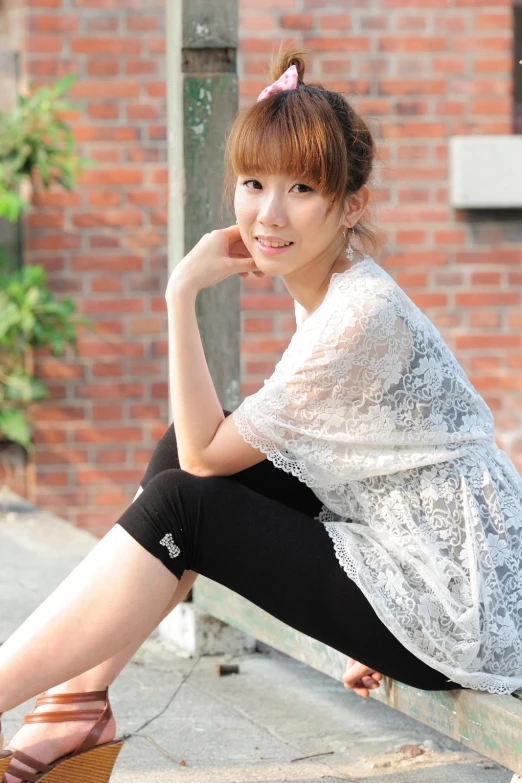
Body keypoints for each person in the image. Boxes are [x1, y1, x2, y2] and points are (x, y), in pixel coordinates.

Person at [2, 46, 522, 782]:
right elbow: (200, 447)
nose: (268, 214)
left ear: (352, 205)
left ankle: (50, 702)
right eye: (253, 183)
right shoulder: (336, 293)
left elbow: (205, 466)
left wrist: (181, 293)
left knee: (188, 500)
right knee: (181, 451)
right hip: (415, 558)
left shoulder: (358, 314)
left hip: (447, 600)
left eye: (302, 188)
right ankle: (78, 701)